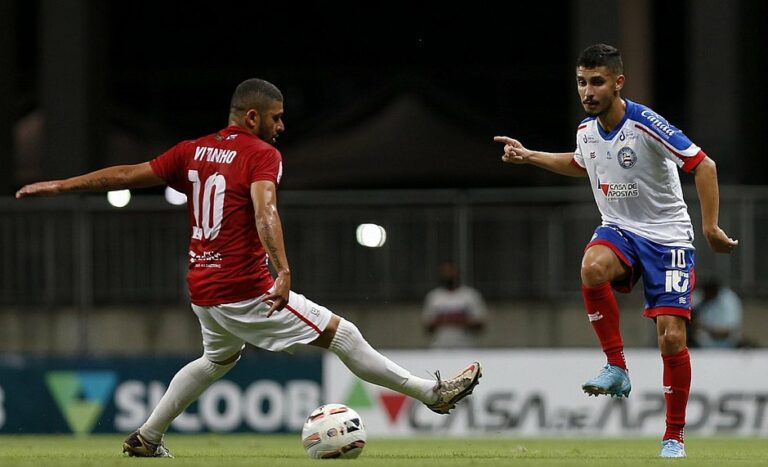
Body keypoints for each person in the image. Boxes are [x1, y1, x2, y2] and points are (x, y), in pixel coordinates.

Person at [16, 78, 482, 458]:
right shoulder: (261, 155)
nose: (282, 126)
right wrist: (282, 271)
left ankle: (148, 436)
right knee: (344, 335)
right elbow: (266, 212)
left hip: (202, 288)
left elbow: (122, 176)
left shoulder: (191, 150)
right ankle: (431, 394)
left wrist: (61, 184)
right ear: (252, 116)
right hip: (244, 287)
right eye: (276, 117)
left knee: (216, 360)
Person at [493, 44, 737, 458]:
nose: (587, 91)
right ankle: (617, 367)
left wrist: (710, 226)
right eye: (582, 82)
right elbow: (581, 163)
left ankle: (674, 436)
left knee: (672, 340)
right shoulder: (586, 132)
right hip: (621, 229)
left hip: (669, 239)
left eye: (597, 82)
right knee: (591, 267)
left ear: (618, 83)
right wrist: (530, 155)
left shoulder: (645, 124)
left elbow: (704, 165)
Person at [422, 262, 487, 348]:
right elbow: (427, 326)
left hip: (467, 347)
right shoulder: (434, 296)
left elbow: (480, 324)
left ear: (458, 274)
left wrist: (460, 320)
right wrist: (445, 320)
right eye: (446, 272)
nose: (449, 275)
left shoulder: (470, 295)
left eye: (451, 272)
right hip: (440, 347)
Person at [691, 277, 743, 348]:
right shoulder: (698, 296)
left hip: (728, 345)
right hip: (699, 345)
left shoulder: (729, 300)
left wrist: (703, 326)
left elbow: (727, 332)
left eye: (709, 293)